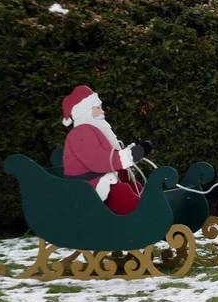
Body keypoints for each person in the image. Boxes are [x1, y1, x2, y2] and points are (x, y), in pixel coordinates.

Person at [61, 85, 152, 215]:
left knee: (134, 188)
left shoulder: (94, 130)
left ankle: (150, 213)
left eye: (100, 107)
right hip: (89, 186)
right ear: (85, 111)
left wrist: (132, 151)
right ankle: (145, 217)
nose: (102, 111)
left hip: (107, 181)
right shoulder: (80, 133)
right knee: (125, 197)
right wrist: (129, 156)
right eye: (97, 108)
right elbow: (99, 161)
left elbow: (110, 152)